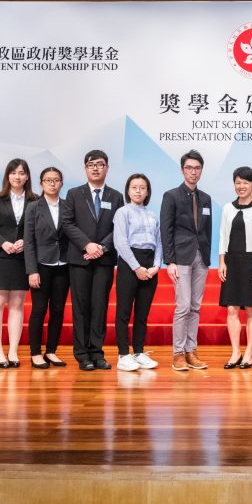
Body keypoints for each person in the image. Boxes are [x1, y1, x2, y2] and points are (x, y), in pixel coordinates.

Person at [61, 150, 125, 371]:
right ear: (85, 168)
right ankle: (82, 354)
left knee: (100, 307)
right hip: (79, 259)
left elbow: (118, 226)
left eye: (100, 164)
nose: (96, 168)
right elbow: (67, 223)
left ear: (107, 168)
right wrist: (87, 245)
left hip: (104, 260)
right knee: (80, 308)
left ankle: (97, 353)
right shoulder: (74, 194)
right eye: (91, 164)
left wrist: (102, 247)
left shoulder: (116, 196)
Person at [160, 150, 212, 372]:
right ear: (182, 170)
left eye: (197, 168)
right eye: (189, 168)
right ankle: (178, 354)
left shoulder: (206, 198)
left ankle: (191, 351)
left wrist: (207, 256)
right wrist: (169, 260)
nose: (193, 172)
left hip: (201, 257)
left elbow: (207, 230)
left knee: (196, 307)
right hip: (180, 258)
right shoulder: (171, 196)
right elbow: (166, 229)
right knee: (182, 306)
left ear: (201, 170)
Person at [0, 158, 36, 368]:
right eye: (13, 173)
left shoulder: (35, 200)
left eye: (21, 173)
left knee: (17, 305)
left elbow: (38, 228)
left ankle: (13, 351)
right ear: (7, 176)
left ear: (27, 176)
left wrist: (26, 241)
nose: (17, 177)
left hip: (22, 258)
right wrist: (2, 243)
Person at [218, 166, 252, 369]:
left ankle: (248, 352)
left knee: (250, 308)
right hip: (232, 261)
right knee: (231, 308)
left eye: (245, 183)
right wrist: (222, 262)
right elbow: (223, 236)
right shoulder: (227, 208)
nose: (241, 186)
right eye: (238, 182)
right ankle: (235, 352)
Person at [112, 173, 162, 372]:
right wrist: (136, 268)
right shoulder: (122, 212)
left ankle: (139, 352)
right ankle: (123, 355)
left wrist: (156, 266)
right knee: (124, 311)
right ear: (128, 190)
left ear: (147, 191)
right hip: (129, 263)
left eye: (142, 187)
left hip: (150, 264)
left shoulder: (152, 214)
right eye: (134, 187)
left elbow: (159, 242)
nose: (138, 191)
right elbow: (120, 242)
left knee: (142, 313)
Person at [23, 167, 70, 369]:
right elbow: (29, 241)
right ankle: (35, 353)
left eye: (56, 180)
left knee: (58, 311)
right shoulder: (33, 207)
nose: (52, 183)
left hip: (64, 264)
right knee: (39, 309)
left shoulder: (68, 206)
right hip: (41, 266)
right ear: (41, 183)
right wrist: (32, 270)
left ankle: (51, 351)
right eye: (48, 180)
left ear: (61, 183)